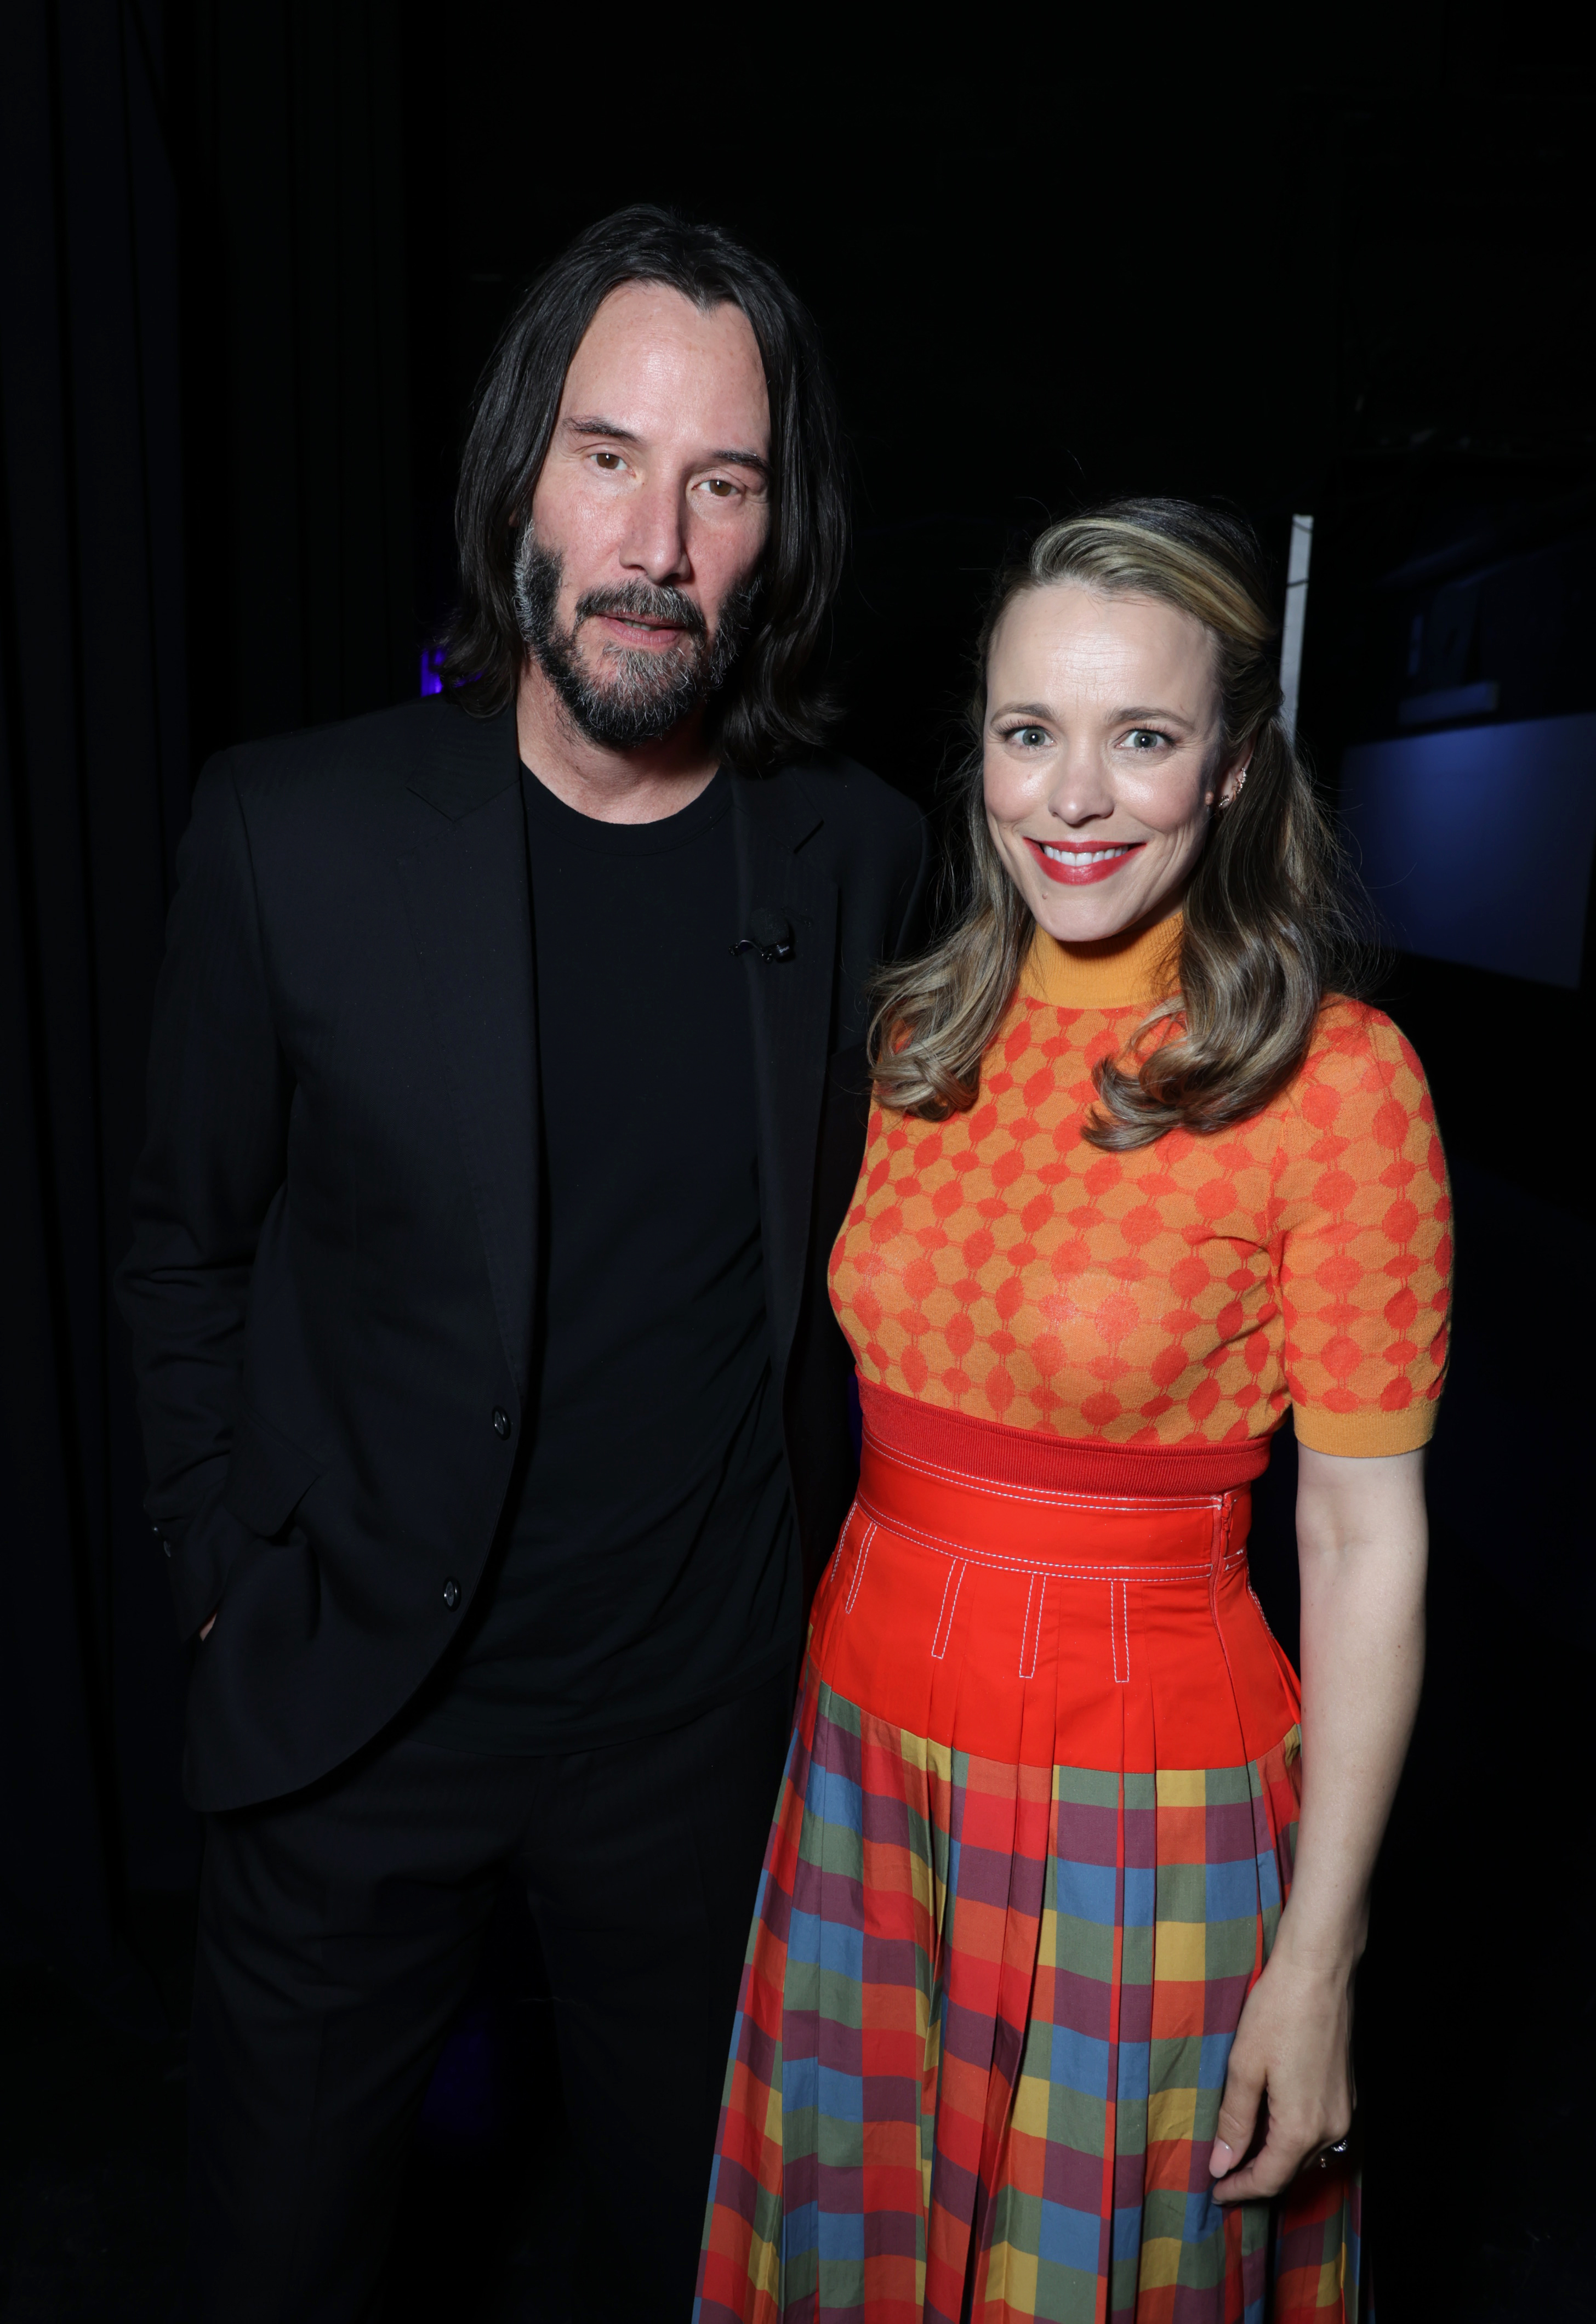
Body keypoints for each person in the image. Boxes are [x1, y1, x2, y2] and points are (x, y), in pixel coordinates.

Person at [117, 205, 926, 2321]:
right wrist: (222, 1570)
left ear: (778, 535)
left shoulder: (858, 855)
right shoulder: (289, 836)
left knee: (706, 2276)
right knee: (275, 2269)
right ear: (518, 480)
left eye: (723, 482)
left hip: (697, 1745)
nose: (656, 539)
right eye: (608, 457)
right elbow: (183, 1243)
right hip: (356, 1722)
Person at [697, 501, 1450, 2324]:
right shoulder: (913, 1040)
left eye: (1145, 736)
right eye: (1031, 733)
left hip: (1146, 1793)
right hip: (867, 1756)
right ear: (981, 752)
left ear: (1234, 769)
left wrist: (1322, 1959)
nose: (1076, 797)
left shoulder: (1336, 1085)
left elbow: (1363, 1540)